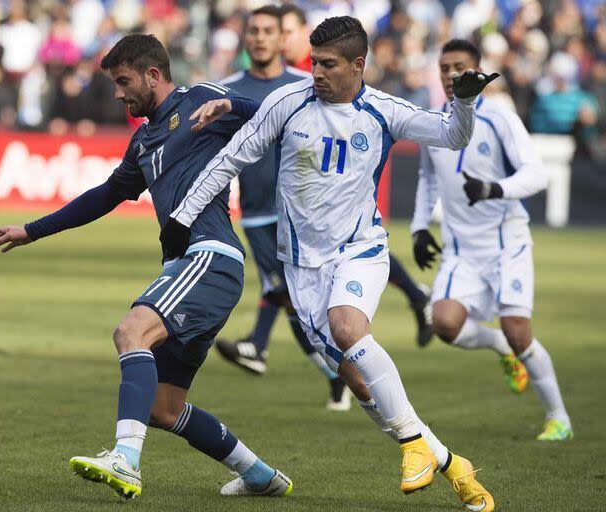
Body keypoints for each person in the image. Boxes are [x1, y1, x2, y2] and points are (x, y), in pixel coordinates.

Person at [161, 16, 496, 510]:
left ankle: (411, 446)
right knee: (362, 382)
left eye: (328, 65)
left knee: (347, 327)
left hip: (360, 249)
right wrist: (184, 215)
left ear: (359, 65)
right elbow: (231, 158)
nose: (315, 72)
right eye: (313, 62)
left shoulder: (383, 110)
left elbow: (453, 135)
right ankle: (448, 462)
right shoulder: (287, 103)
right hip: (302, 268)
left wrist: (463, 102)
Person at [0, 34, 293, 500]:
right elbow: (105, 196)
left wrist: (231, 106)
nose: (118, 93)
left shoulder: (201, 100)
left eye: (124, 81)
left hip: (209, 255)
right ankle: (259, 476)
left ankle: (125, 460)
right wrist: (33, 229)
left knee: (132, 332)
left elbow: (276, 119)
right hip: (196, 266)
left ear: (153, 74)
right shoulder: (144, 140)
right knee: (163, 408)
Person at [411, 39, 573, 441]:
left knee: (520, 329)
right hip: (461, 249)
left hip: (506, 243)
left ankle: (559, 419)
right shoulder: (434, 121)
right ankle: (500, 345)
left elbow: (536, 173)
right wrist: (418, 227)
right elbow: (427, 179)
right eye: (444, 66)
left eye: (460, 67)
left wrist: (494, 190)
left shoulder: (500, 117)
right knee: (445, 325)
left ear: (478, 71)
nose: (451, 75)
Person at [212, 4, 351, 411]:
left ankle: (261, 346)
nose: (258, 37)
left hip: (307, 209)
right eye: (252, 30)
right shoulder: (227, 89)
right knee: (290, 299)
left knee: (296, 294)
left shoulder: (305, 85)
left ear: (281, 38)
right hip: (256, 212)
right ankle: (334, 374)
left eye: (267, 30)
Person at [282, 4, 434, 348]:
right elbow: (262, 109)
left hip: (325, 208)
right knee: (286, 289)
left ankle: (271, 350)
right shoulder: (291, 87)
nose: (283, 40)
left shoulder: (313, 82)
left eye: (287, 31)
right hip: (281, 202)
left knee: (332, 270)